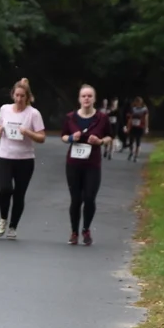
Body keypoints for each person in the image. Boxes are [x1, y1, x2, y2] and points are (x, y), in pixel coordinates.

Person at [0, 78, 46, 239]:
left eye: (22, 96)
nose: (19, 99)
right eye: (17, 95)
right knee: (5, 189)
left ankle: (13, 226)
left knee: (19, 194)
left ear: (27, 97)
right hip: (5, 156)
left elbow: (41, 137)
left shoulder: (33, 114)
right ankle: (3, 219)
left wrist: (28, 133)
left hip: (25, 159)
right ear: (12, 95)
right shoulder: (5, 109)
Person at [61, 84, 112, 246]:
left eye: (90, 96)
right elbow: (63, 136)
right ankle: (74, 232)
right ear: (79, 99)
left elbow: (110, 136)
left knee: (89, 198)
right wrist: (71, 138)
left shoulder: (102, 118)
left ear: (94, 99)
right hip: (74, 164)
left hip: (92, 164)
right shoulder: (71, 117)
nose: (87, 99)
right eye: (84, 96)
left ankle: (86, 229)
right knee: (76, 199)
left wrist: (100, 141)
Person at [127, 96, 149, 162]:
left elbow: (146, 119)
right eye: (136, 102)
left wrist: (146, 127)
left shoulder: (144, 109)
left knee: (138, 142)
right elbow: (130, 119)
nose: (137, 103)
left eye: (138, 102)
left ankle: (136, 156)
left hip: (140, 127)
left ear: (141, 102)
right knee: (131, 141)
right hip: (133, 127)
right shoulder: (133, 109)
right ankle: (131, 152)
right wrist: (128, 127)